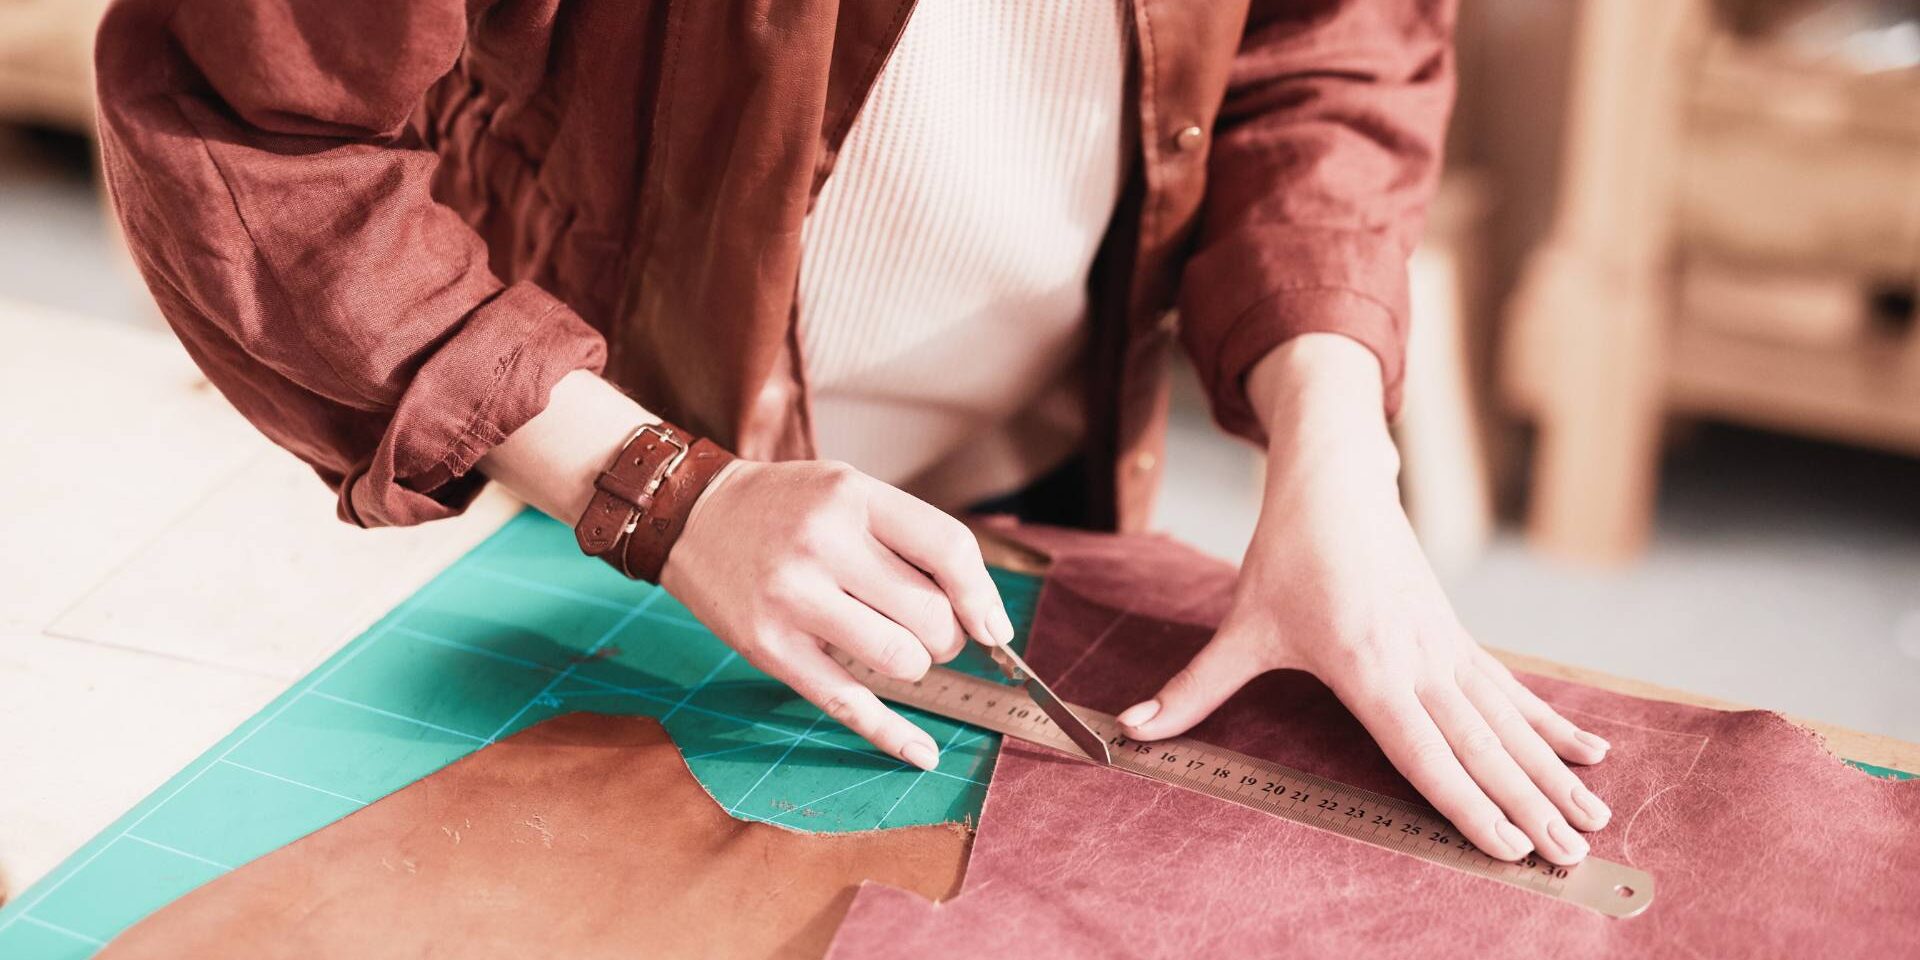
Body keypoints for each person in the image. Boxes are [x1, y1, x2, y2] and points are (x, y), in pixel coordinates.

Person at [93, 0, 1610, 866]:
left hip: (1041, 473)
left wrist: (1337, 449)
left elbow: (1329, 53)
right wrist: (656, 486)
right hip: (554, 486)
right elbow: (244, 125)